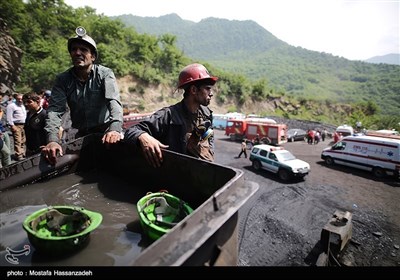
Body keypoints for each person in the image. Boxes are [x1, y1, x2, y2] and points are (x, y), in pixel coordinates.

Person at [42, 26, 123, 165]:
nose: (77, 53)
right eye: (74, 50)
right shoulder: (63, 79)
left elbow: (113, 101)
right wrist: (52, 140)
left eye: (83, 50)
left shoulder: (105, 74)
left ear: (93, 56)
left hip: (106, 132)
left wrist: (115, 128)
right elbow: (55, 111)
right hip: (81, 134)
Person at [124, 63, 218, 168]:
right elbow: (131, 131)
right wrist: (143, 136)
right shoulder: (168, 115)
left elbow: (209, 138)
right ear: (194, 90)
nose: (211, 93)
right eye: (207, 88)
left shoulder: (207, 114)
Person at [23, 92, 47, 156]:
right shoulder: (28, 114)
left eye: (29, 102)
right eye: (24, 102)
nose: (26, 104)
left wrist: (49, 145)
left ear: (37, 101)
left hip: (42, 151)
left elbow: (59, 130)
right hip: (31, 150)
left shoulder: (45, 114)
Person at [6, 93, 26, 161]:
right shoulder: (11, 106)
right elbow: (9, 117)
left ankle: (22, 152)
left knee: (23, 140)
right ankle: (18, 154)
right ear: (16, 99)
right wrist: (12, 125)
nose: (20, 100)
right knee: (18, 140)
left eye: (21, 99)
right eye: (19, 99)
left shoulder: (23, 106)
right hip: (16, 125)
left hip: (23, 125)